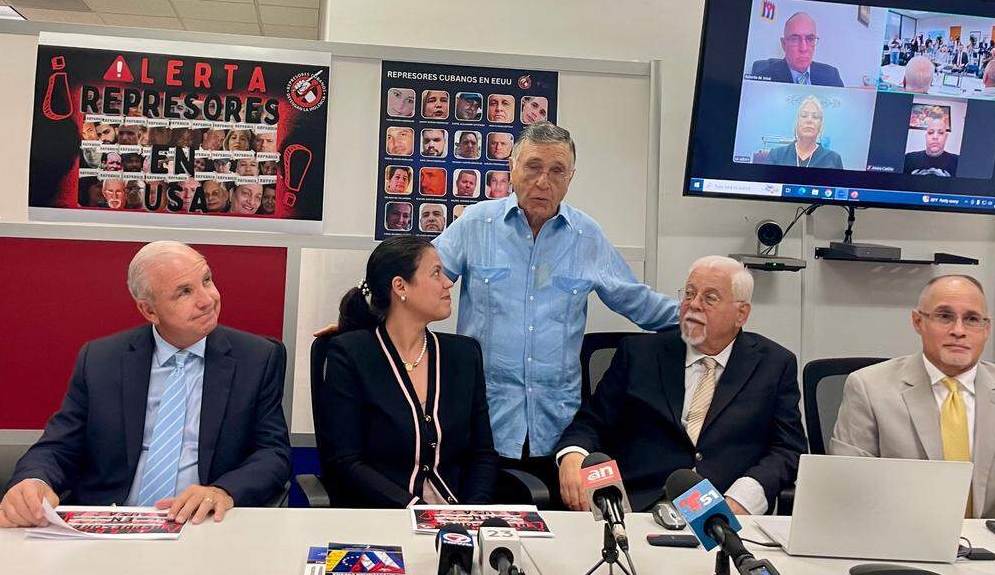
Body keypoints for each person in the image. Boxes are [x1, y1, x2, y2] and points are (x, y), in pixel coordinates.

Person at [433, 121, 678, 493]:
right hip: (481, 424)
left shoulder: (586, 236)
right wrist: (365, 311)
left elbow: (639, 302)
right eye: (533, 167)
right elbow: (419, 279)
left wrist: (705, 322)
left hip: (557, 430)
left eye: (557, 170)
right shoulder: (476, 225)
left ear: (570, 178)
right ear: (511, 169)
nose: (543, 181)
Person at [0, 242, 291, 528]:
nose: (207, 299)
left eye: (207, 280)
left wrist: (223, 490)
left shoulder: (257, 357)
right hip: (111, 524)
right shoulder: (101, 359)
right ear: (149, 311)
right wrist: (32, 482)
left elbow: (273, 454)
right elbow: (59, 446)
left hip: (202, 525)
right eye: (184, 292)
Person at [556, 256, 806, 513]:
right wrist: (573, 454)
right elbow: (591, 423)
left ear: (741, 313)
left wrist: (747, 495)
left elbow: (788, 449)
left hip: (722, 510)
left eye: (710, 298)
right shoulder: (640, 354)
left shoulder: (774, 364)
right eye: (689, 294)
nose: (693, 305)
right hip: (638, 508)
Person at [831, 275, 995, 519]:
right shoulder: (869, 388)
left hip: (989, 550)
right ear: (918, 322)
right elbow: (849, 490)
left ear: (986, 329)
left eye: (972, 319)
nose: (958, 331)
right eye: (944, 316)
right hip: (898, 544)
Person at [320, 237, 499, 507]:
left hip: (458, 520)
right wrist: (416, 511)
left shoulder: (464, 355)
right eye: (436, 273)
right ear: (400, 286)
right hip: (383, 518)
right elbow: (347, 461)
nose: (448, 283)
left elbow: (482, 454)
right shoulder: (351, 354)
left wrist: (471, 513)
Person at [750, 12, 843, 87]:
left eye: (810, 39)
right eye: (795, 39)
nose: (803, 48)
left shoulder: (831, 75)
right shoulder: (763, 78)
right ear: (783, 44)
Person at [764, 95, 843, 169]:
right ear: (797, 122)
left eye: (815, 117)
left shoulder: (834, 159)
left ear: (821, 125)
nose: (809, 120)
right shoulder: (776, 155)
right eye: (804, 116)